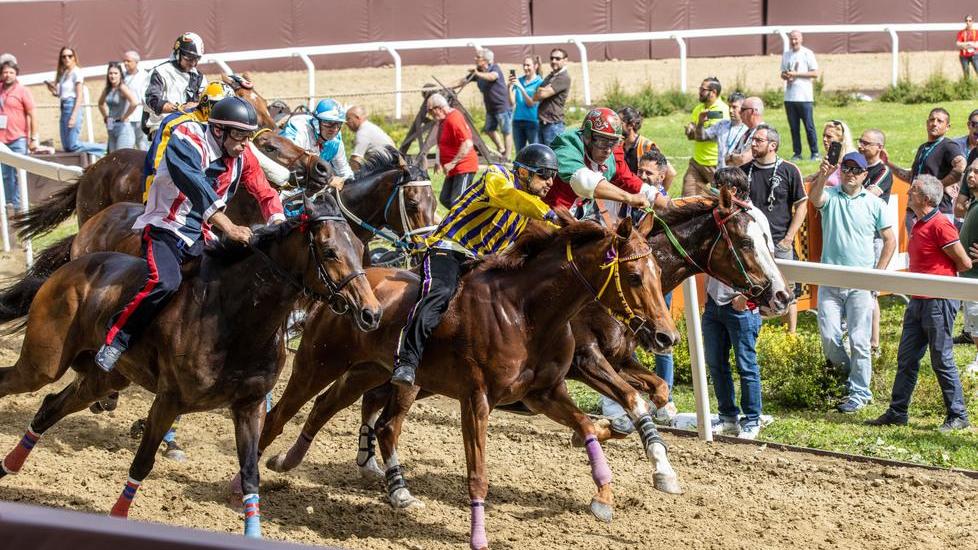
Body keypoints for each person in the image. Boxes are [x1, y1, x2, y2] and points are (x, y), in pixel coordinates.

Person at [94, 97, 285, 372]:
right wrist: (229, 227)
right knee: (166, 283)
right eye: (240, 136)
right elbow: (195, 185)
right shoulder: (186, 139)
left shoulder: (243, 155)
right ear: (219, 131)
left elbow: (264, 192)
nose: (245, 144)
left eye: (248, 137)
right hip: (165, 228)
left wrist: (277, 223)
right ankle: (116, 340)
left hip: (202, 234)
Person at [390, 144, 561, 387]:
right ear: (523, 172)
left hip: (480, 264)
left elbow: (552, 233)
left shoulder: (531, 207)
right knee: (439, 293)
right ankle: (407, 360)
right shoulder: (497, 176)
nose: (550, 182)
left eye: (553, 176)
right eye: (544, 174)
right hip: (448, 250)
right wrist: (548, 214)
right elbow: (505, 196)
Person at [867, 175, 972, 433]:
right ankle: (898, 411)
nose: (909, 194)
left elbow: (964, 263)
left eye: (912, 191)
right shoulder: (918, 222)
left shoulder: (940, 225)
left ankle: (958, 415)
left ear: (925, 199)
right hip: (918, 300)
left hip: (938, 301)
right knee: (907, 358)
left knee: (941, 359)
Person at [809, 152, 896, 413]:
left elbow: (890, 240)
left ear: (864, 175)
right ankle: (849, 378)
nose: (850, 173)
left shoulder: (874, 203)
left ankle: (860, 392)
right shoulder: (831, 196)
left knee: (860, 340)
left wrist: (876, 276)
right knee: (829, 337)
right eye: (846, 168)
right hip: (830, 280)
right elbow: (814, 198)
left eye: (856, 170)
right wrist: (824, 174)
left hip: (860, 282)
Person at [600, 147, 677, 432]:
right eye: (640, 171)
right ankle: (611, 401)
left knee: (661, 335)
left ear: (661, 176)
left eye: (649, 172)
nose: (643, 175)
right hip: (622, 280)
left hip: (651, 281)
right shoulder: (624, 200)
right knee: (610, 337)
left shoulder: (661, 205)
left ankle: (665, 400)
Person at [703, 167, 774, 440]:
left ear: (730, 191)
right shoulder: (717, 216)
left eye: (716, 187)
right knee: (716, 363)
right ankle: (728, 417)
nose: (712, 191)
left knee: (746, 364)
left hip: (741, 306)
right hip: (714, 302)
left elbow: (766, 262)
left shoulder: (755, 217)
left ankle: (752, 419)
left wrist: (746, 297)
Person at [741, 125, 807, 333]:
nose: (753, 144)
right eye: (753, 139)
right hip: (752, 244)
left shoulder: (789, 170)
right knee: (755, 289)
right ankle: (758, 332)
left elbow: (802, 204)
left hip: (780, 241)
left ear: (773, 145)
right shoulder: (744, 171)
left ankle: (791, 335)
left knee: (788, 290)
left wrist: (789, 238)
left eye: (758, 140)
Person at [543, 107, 658, 212]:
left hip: (577, 216)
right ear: (588, 136)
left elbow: (629, 181)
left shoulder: (613, 154)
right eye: (603, 142)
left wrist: (662, 200)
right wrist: (629, 198)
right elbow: (583, 181)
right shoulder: (568, 144)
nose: (608, 150)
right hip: (548, 216)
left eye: (613, 142)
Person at [887, 107, 966, 231]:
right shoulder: (923, 148)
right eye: (932, 120)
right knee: (915, 250)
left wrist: (939, 185)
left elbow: (961, 165)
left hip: (937, 211)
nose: (934, 123)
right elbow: (910, 177)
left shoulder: (948, 145)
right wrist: (887, 163)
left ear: (947, 127)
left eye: (940, 121)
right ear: (926, 123)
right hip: (914, 211)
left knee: (937, 250)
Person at [858, 129, 894, 356]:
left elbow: (867, 196)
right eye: (860, 142)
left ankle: (873, 342)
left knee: (870, 291)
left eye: (866, 143)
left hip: (873, 239)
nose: (860, 146)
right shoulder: (858, 166)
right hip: (856, 236)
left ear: (879, 147)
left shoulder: (883, 172)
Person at [279, 98, 352, 191]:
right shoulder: (300, 128)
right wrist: (329, 180)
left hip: (310, 189)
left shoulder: (336, 140)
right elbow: (292, 164)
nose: (334, 129)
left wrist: (354, 185)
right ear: (317, 122)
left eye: (338, 124)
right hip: (285, 186)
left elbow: (343, 170)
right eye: (329, 123)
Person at [144, 32, 207, 138]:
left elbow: (204, 102)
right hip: (163, 129)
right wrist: (180, 108)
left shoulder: (199, 77)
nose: (193, 63)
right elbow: (151, 100)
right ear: (178, 53)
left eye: (197, 59)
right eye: (189, 58)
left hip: (190, 129)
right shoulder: (160, 72)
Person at [43, 46, 104, 154]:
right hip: (64, 106)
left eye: (69, 56)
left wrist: (74, 116)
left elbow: (79, 95)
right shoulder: (65, 73)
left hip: (72, 106)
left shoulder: (77, 72)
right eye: (64, 57)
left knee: (72, 145)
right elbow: (61, 94)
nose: (67, 59)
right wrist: (52, 89)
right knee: (66, 146)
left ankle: (103, 148)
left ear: (74, 58)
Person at [426, 93, 478, 209]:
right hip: (453, 169)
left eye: (430, 111)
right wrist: (437, 161)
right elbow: (441, 142)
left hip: (464, 167)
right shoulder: (443, 120)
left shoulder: (454, 119)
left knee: (458, 203)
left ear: (438, 108)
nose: (430, 115)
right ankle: (463, 219)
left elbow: (467, 143)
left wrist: (452, 163)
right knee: (445, 198)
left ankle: (467, 222)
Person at [460, 48, 512, 158]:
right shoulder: (478, 72)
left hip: (502, 107)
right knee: (488, 130)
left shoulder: (494, 68)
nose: (475, 59)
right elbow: (463, 81)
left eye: (478, 57)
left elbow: (492, 76)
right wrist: (446, 86)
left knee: (506, 132)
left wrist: (477, 73)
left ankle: (507, 157)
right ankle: (501, 149)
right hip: (490, 108)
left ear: (485, 60)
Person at [0, 59, 36, 210]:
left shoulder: (22, 91)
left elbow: (32, 114)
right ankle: (11, 207)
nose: (7, 75)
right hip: (2, 139)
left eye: (11, 72)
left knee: (18, 174)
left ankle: (22, 207)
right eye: (5, 72)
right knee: (6, 176)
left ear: (16, 74)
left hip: (18, 139)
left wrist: (33, 138)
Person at [682, 77, 728, 196]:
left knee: (720, 202)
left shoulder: (720, 111)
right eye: (700, 88)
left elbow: (706, 136)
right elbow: (693, 131)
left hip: (714, 165)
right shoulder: (699, 109)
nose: (699, 91)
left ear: (713, 92)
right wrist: (691, 130)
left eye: (703, 89)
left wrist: (694, 130)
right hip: (697, 163)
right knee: (688, 200)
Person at [780, 30, 820, 161]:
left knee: (809, 126)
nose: (794, 41)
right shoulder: (786, 55)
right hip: (790, 97)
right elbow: (782, 73)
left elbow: (814, 73)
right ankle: (797, 153)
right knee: (794, 128)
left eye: (796, 39)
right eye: (792, 39)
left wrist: (796, 74)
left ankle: (815, 152)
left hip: (804, 97)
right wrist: (786, 75)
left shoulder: (807, 53)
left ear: (801, 39)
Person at [618, 106, 676, 192]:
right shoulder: (620, 146)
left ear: (631, 125)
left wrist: (658, 197)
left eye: (619, 123)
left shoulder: (647, 146)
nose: (616, 127)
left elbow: (670, 173)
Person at [956, 160, 978, 377]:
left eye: (977, 172)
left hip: (976, 277)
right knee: (973, 323)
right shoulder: (974, 202)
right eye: (970, 171)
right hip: (969, 275)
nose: (971, 175)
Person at [696, 91, 747, 170]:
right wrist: (700, 123)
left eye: (734, 107)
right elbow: (700, 137)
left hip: (738, 176)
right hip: (720, 175)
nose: (730, 110)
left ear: (743, 108)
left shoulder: (748, 129)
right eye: (729, 107)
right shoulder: (722, 125)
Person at [98, 62, 139, 152]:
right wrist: (105, 116)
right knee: (112, 159)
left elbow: (134, 102)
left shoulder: (122, 87)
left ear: (120, 75)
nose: (113, 76)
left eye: (115, 73)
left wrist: (125, 116)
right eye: (110, 73)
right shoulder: (107, 89)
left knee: (121, 159)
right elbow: (100, 103)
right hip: (111, 126)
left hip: (123, 128)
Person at [534, 48, 571, 146]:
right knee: (540, 157)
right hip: (542, 123)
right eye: (552, 58)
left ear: (565, 60)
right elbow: (536, 95)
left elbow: (541, 94)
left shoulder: (563, 77)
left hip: (554, 125)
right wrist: (540, 90)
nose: (554, 61)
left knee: (553, 158)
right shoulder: (552, 76)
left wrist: (540, 90)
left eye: (557, 58)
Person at [508, 56, 543, 151]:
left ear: (535, 66)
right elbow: (512, 102)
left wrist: (521, 87)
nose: (525, 68)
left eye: (528, 65)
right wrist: (510, 88)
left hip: (533, 121)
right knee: (519, 153)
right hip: (517, 121)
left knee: (535, 152)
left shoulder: (540, 82)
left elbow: (531, 103)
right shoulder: (519, 80)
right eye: (524, 65)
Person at [345, 105, 395, 172]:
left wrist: (350, 178)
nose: (346, 123)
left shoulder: (363, 133)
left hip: (385, 169)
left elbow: (355, 160)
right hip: (392, 165)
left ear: (357, 117)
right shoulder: (370, 127)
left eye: (348, 119)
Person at [808, 119, 857, 187]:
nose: (824, 139)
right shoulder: (831, 156)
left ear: (841, 139)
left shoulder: (851, 160)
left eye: (829, 137)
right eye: (824, 136)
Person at [725, 96, 765, 167]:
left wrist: (731, 157)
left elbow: (744, 159)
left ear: (753, 111)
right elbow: (728, 160)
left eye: (743, 109)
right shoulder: (747, 132)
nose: (739, 112)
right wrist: (733, 158)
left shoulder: (763, 133)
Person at [122, 50, 149, 150]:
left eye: (128, 61)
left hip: (140, 117)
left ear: (136, 62)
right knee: (126, 146)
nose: (125, 63)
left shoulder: (145, 76)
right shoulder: (121, 76)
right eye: (124, 61)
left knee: (142, 146)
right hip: (126, 117)